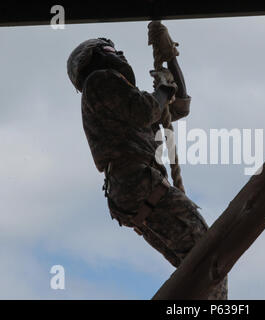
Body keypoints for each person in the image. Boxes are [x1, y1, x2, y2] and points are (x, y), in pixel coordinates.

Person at [67, 28, 227, 300]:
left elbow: (178, 106)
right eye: (111, 50)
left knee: (192, 262)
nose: (119, 54)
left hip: (131, 190)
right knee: (206, 248)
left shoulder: (119, 107)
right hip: (137, 182)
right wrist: (162, 88)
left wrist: (169, 58)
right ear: (94, 58)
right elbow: (148, 109)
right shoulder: (100, 80)